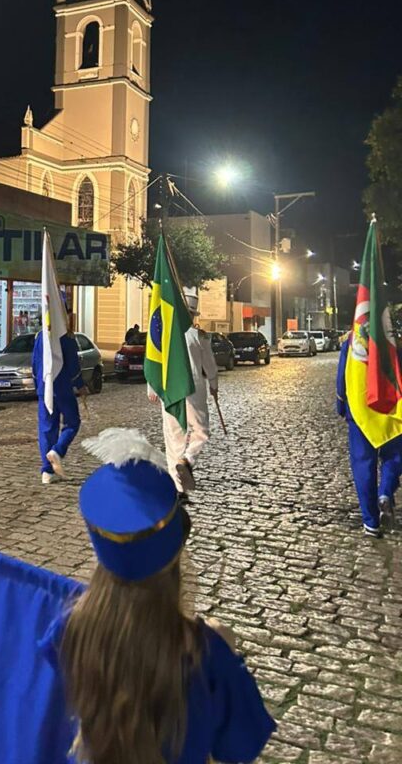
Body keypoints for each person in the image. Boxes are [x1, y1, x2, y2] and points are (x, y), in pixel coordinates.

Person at [41, 434, 275, 764]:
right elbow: (240, 746)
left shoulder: (68, 631)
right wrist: (228, 653)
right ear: (177, 553)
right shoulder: (205, 651)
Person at [150, 297, 218, 499]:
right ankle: (187, 460)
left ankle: (178, 489)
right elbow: (210, 365)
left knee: (174, 438)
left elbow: (155, 359)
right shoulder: (198, 336)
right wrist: (214, 385)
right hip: (193, 389)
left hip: (169, 389)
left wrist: (152, 387)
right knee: (201, 431)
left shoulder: (165, 334)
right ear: (192, 314)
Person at [336, 334, 402, 536]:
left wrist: (341, 404)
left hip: (360, 410)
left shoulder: (352, 341)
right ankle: (385, 492)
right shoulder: (393, 340)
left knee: (363, 463)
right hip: (391, 409)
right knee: (395, 456)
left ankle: (371, 521)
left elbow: (343, 375)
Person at [32, 318, 85, 484]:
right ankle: (57, 450)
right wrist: (80, 385)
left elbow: (34, 363)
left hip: (44, 387)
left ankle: (47, 472)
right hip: (63, 388)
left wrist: (38, 386)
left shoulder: (40, 336)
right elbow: (73, 365)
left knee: (47, 428)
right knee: (73, 422)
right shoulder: (66, 337)